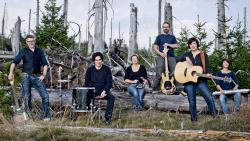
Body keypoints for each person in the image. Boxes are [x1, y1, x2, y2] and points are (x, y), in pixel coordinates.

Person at [8, 35, 50, 121]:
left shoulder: (39, 51)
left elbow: (45, 64)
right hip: (26, 76)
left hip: (37, 77)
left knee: (45, 96)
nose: (31, 42)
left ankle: (46, 117)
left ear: (35, 41)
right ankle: (29, 118)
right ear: (26, 42)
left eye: (32, 41)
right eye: (29, 41)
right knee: (27, 97)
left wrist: (44, 75)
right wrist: (10, 73)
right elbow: (14, 62)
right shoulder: (23, 51)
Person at [178, 37, 217, 122]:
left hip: (200, 80)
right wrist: (185, 58)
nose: (193, 45)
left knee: (209, 97)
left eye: (194, 43)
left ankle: (215, 116)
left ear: (197, 44)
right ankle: (194, 120)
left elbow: (207, 66)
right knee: (192, 101)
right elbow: (176, 60)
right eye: (191, 44)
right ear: (189, 45)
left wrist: (209, 72)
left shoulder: (203, 54)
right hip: (189, 81)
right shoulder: (186, 54)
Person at [84, 52, 115, 125]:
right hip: (93, 90)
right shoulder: (90, 70)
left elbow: (109, 83)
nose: (98, 61)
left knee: (111, 97)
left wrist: (104, 91)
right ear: (94, 61)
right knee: (85, 94)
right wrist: (91, 90)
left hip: (103, 90)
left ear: (102, 60)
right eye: (96, 60)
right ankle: (89, 112)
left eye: (99, 60)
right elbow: (86, 83)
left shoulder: (107, 69)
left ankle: (108, 118)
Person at [152, 21, 179, 90]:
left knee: (175, 71)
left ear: (169, 28)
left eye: (167, 27)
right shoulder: (159, 37)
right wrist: (160, 53)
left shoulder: (172, 37)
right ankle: (155, 88)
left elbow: (176, 46)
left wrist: (168, 44)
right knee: (159, 70)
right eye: (164, 27)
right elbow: (155, 47)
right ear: (162, 28)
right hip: (161, 56)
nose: (165, 28)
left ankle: (178, 88)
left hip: (171, 57)